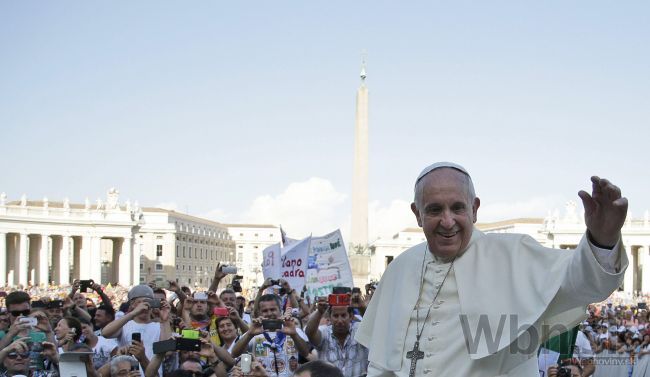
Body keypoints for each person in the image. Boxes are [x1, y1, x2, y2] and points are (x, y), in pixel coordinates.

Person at [357, 162, 628, 376]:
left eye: (458, 208)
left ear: (474, 209)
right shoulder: (400, 268)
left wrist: (602, 239)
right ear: (417, 214)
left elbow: (583, 283)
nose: (447, 221)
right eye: (435, 209)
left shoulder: (515, 254)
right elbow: (381, 364)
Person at [231, 294, 311, 377]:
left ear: (281, 311)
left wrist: (294, 335)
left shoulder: (294, 330)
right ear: (260, 313)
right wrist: (249, 334)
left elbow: (306, 353)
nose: (269, 313)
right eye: (265, 311)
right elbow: (234, 354)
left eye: (273, 309)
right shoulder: (253, 332)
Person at [305, 297, 368, 377]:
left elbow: (375, 327)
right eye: (335, 316)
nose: (340, 320)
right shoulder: (324, 332)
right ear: (329, 318)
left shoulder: (360, 330)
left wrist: (362, 307)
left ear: (351, 316)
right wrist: (319, 312)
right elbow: (309, 332)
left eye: (343, 315)